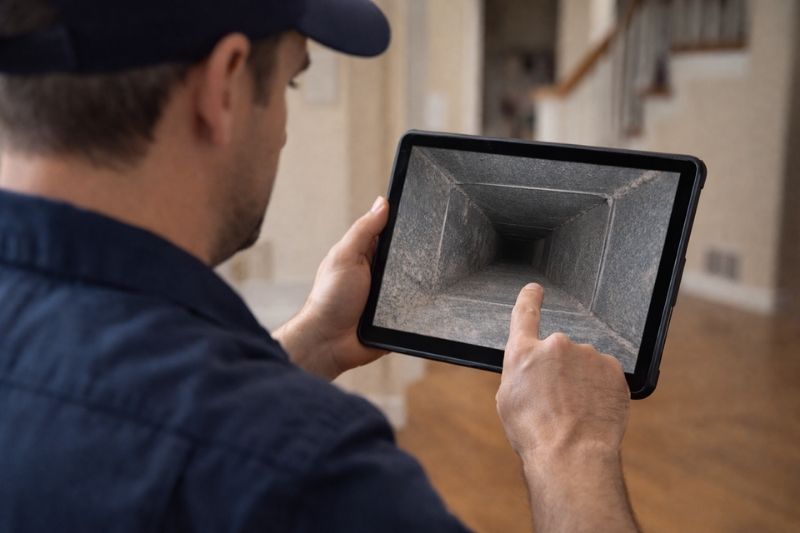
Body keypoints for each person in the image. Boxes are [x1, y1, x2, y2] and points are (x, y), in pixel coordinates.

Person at [0, 0, 638, 531]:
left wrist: (311, 344)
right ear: (224, 85)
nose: (282, 131)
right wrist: (570, 447)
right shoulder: (306, 475)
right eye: (290, 83)